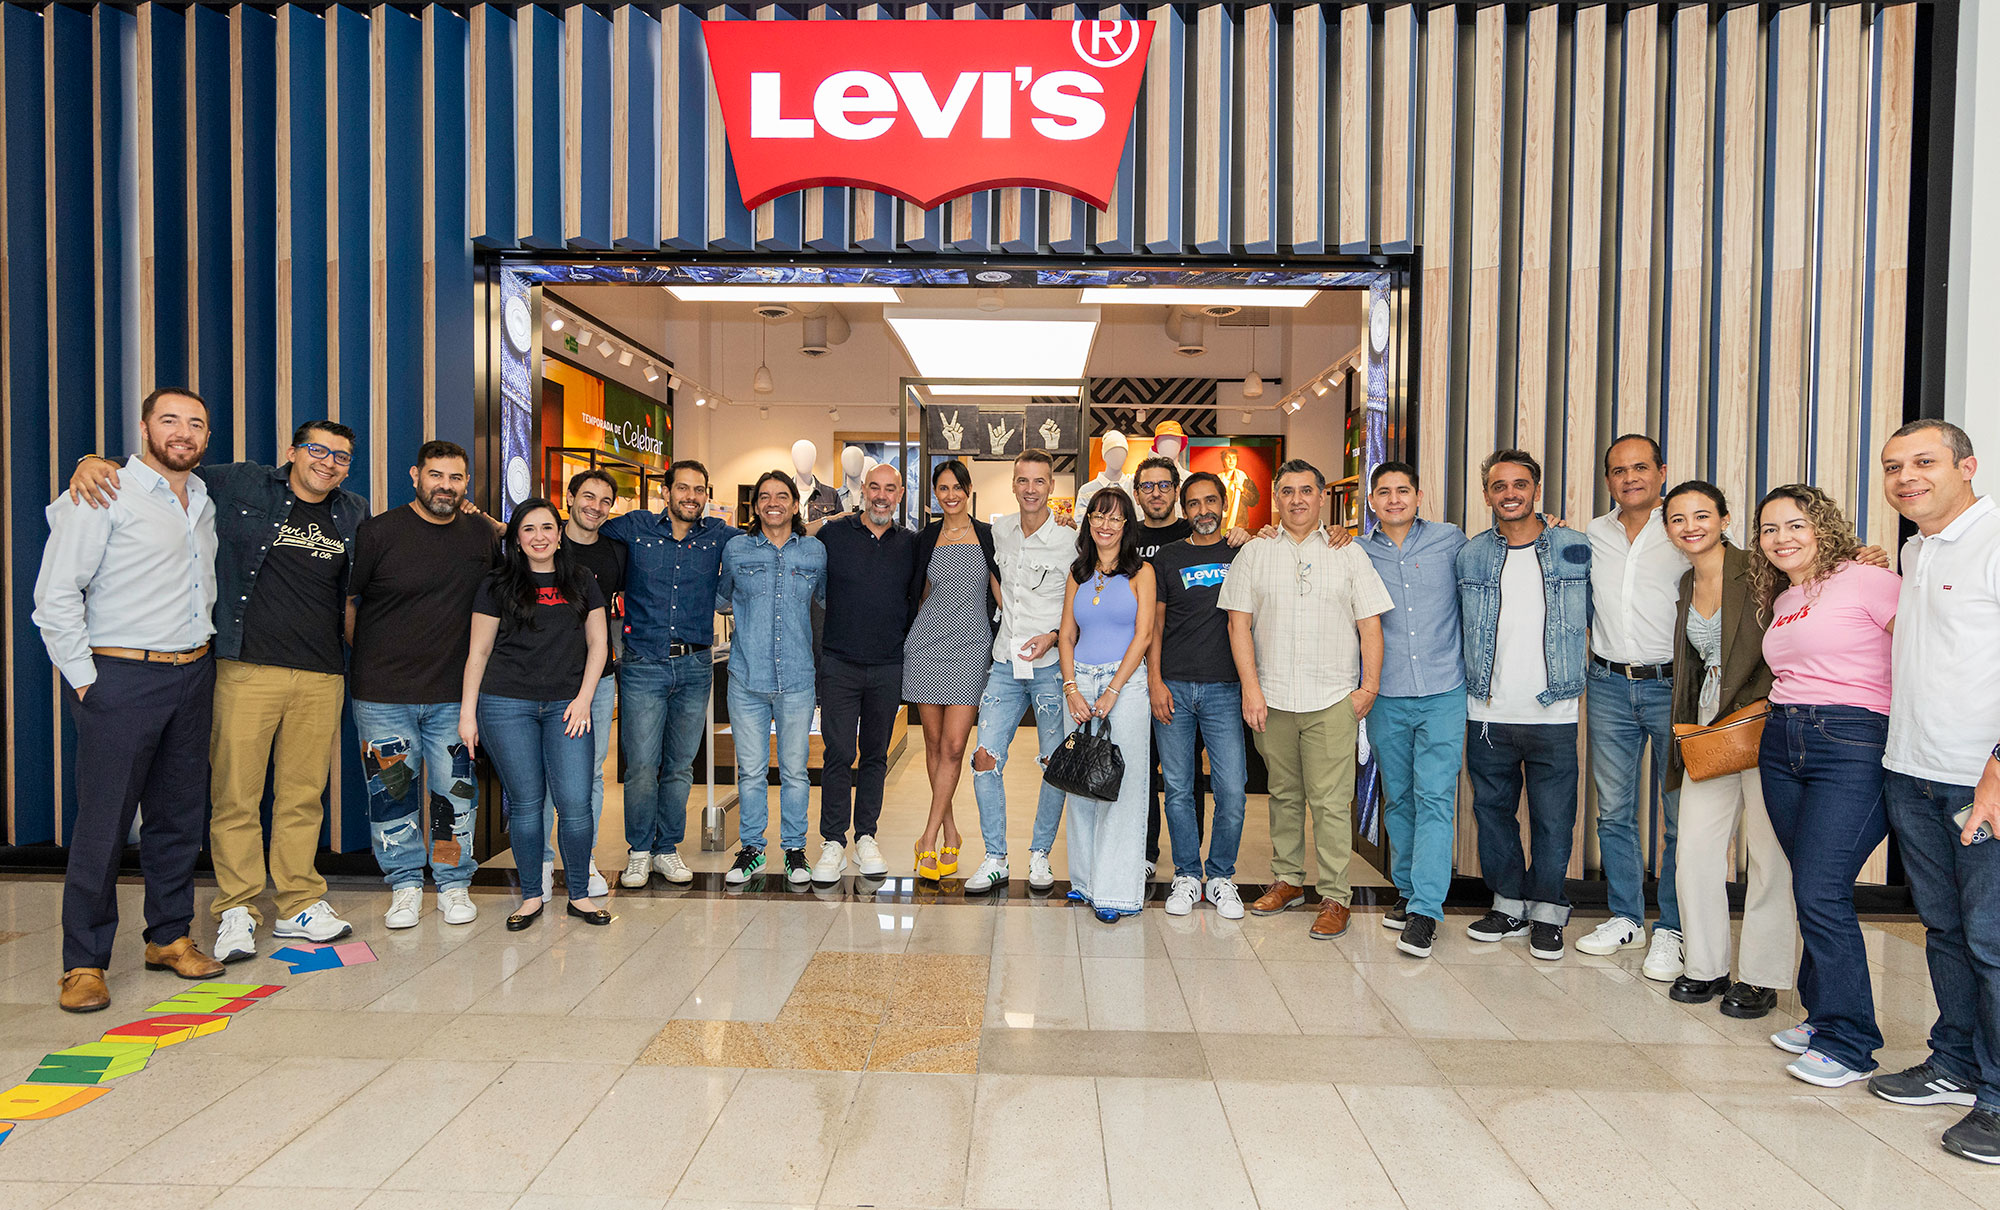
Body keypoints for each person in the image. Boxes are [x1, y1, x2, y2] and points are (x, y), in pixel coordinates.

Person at [66, 421, 370, 963]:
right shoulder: (242, 484)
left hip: (322, 674)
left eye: (341, 457)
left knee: (303, 796)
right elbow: (167, 468)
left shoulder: (353, 510)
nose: (328, 462)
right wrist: (95, 460)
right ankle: (237, 907)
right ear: (293, 451)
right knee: (236, 796)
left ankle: (299, 901)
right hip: (244, 669)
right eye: (318, 450)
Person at [33, 386, 228, 1011]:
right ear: (144, 428)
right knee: (104, 822)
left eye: (195, 424)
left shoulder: (201, 498)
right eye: (169, 420)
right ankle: (84, 962)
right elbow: (56, 594)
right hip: (121, 678)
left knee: (177, 817)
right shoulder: (103, 491)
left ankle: (169, 936)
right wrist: (85, 678)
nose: (183, 433)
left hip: (194, 673)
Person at [1871, 419, 2000, 1162]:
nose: (1906, 477)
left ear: (1968, 466)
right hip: (1914, 772)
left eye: (1923, 462)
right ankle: (1956, 1060)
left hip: (1978, 783)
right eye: (1893, 467)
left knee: (1990, 940)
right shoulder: (1919, 550)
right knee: (1947, 930)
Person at [1749, 483, 1899, 1087]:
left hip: (1853, 741)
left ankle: (1850, 1040)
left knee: (1820, 887)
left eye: (1795, 525)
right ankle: (1824, 1015)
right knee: (1811, 883)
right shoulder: (1785, 596)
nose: (1781, 538)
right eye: (1769, 530)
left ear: (1823, 526)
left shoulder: (1867, 579)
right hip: (1783, 739)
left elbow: (1926, 650)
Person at [1222, 459, 1392, 941]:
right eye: (1288, 491)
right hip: (1272, 698)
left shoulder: (1349, 552)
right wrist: (1251, 690)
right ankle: (1289, 880)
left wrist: (1369, 688)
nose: (1297, 499)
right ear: (1276, 498)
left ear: (1322, 498)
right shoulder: (1255, 553)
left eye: (1307, 491)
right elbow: (1239, 625)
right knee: (1284, 795)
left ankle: (1336, 895)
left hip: (1333, 696)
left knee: (1333, 802)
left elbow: (1370, 625)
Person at [347, 440, 502, 929]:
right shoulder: (378, 532)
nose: (445, 486)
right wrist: (372, 658)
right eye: (436, 475)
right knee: (391, 793)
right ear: (416, 475)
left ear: (466, 483)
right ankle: (405, 886)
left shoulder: (480, 534)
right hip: (382, 694)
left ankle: (454, 884)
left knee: (455, 794)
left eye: (456, 478)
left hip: (453, 695)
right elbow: (349, 604)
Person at [1660, 480, 1796, 1018]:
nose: (1690, 526)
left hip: (1766, 721)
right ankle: (1706, 964)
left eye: (1701, 515)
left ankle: (1760, 976)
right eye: (1678, 519)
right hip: (1711, 730)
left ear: (1724, 519)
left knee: (1768, 856)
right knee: (1694, 849)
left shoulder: (1763, 570)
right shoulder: (1684, 584)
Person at [1456, 449, 1591, 960]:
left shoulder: (1575, 547)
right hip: (1486, 710)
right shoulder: (1470, 554)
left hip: (1554, 711)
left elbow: (1602, 613)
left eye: (1519, 484)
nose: (1509, 493)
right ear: (1487, 494)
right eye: (1498, 485)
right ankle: (1508, 903)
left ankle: (1548, 912)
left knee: (1555, 820)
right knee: (1492, 814)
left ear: (1536, 488)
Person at [460, 498, 610, 929]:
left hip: (568, 705)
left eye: (547, 527)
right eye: (529, 529)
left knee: (576, 804)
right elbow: (479, 651)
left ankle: (579, 894)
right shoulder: (496, 583)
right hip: (507, 705)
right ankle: (530, 896)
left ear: (560, 535)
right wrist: (468, 714)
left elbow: (598, 644)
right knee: (526, 805)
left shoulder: (581, 579)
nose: (539, 536)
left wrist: (583, 699)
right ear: (517, 538)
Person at [1578, 435, 1688, 978]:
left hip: (1674, 688)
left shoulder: (1689, 529)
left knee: (1677, 818)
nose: (1630, 478)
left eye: (1640, 467)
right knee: (1614, 810)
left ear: (1661, 473)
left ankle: (1672, 927)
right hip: (1608, 685)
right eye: (1618, 471)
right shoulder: (1592, 534)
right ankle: (1626, 916)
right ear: (1608, 481)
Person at [604, 460, 734, 888]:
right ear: (666, 492)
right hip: (643, 665)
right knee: (642, 765)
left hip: (696, 666)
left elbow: (772, 535)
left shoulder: (718, 536)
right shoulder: (635, 526)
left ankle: (666, 848)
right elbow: (577, 530)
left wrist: (841, 517)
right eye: (682, 488)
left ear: (706, 495)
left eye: (698, 490)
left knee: (680, 766)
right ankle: (639, 851)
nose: (691, 497)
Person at [1359, 462, 1468, 959]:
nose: (1395, 499)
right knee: (1398, 798)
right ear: (1372, 500)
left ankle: (1426, 909)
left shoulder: (1451, 540)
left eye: (1403, 491)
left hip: (1444, 690)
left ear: (1418, 496)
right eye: (1384, 492)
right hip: (1386, 694)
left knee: (1435, 799)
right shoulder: (1356, 551)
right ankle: (1406, 890)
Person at [965, 449, 1076, 893]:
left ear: (1051, 487)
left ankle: (1039, 856)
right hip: (1006, 666)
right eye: (1023, 481)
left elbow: (1080, 601)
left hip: (1051, 668)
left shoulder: (1071, 541)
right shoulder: (1000, 532)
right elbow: (996, 577)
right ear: (1013, 485)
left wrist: (1053, 635)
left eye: (1039, 481)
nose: (1030, 489)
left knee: (1055, 765)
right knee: (984, 758)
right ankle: (995, 857)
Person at [717, 471, 826, 886]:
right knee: (751, 770)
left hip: (798, 678)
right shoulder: (736, 549)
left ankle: (795, 850)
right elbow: (722, 597)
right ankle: (752, 850)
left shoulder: (815, 553)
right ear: (756, 505)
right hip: (746, 678)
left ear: (795, 505)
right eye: (765, 497)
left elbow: (826, 600)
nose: (773, 503)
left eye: (782, 496)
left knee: (796, 770)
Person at [1149, 471, 1248, 919]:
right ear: (1183, 509)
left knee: (1232, 790)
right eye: (1194, 503)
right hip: (1174, 686)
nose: (1203, 511)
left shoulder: (1243, 550)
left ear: (1223, 504)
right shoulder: (1168, 557)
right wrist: (1155, 681)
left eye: (1211, 502)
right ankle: (1188, 875)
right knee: (1177, 790)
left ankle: (1221, 875)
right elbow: (1154, 626)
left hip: (1226, 689)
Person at [814, 461, 918, 882]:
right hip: (838, 662)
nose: (881, 496)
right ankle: (833, 841)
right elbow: (791, 534)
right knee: (838, 753)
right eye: (873, 488)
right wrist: (828, 516)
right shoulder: (834, 535)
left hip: (889, 665)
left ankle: (866, 837)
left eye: (889, 489)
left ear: (899, 495)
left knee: (875, 755)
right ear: (862, 492)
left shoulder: (911, 543)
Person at [1058, 488, 1157, 923]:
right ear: (1088, 522)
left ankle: (1116, 893)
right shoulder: (1077, 573)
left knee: (1123, 789)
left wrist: (1113, 689)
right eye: (1098, 516)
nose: (1105, 524)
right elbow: (1065, 634)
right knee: (1079, 782)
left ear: (1126, 525)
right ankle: (1085, 882)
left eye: (1115, 518)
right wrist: (1071, 688)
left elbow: (1144, 635)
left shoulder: (1142, 573)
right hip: (1079, 680)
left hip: (1126, 683)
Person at [905, 459, 997, 881]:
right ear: (935, 494)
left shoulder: (988, 537)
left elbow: (1003, 592)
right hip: (926, 646)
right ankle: (951, 832)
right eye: (942, 488)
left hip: (972, 647)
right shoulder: (925, 538)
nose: (950, 495)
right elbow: (916, 593)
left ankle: (927, 837)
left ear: (968, 489)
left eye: (957, 487)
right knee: (934, 743)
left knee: (956, 747)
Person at [550, 470, 624, 900]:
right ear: (570, 497)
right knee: (541, 779)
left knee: (591, 774)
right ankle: (540, 862)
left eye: (604, 500)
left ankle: (585, 859)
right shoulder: (542, 540)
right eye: (588, 497)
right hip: (541, 680)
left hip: (597, 680)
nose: (595, 506)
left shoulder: (615, 553)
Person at [1131, 455, 1194, 880]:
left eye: (1164, 485)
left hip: (1184, 671)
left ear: (1176, 489)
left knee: (1184, 775)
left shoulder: (1197, 533)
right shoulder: (1121, 533)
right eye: (1148, 486)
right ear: (1137, 493)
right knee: (1140, 768)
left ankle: (1192, 860)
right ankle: (1145, 851)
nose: (1156, 493)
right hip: (1130, 672)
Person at [1218, 447, 1261, 531]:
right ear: (1223, 460)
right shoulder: (1217, 479)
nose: (1231, 461)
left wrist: (1243, 490)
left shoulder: (1243, 478)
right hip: (1221, 520)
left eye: (1234, 458)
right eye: (1228, 458)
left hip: (1239, 522)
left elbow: (1255, 500)